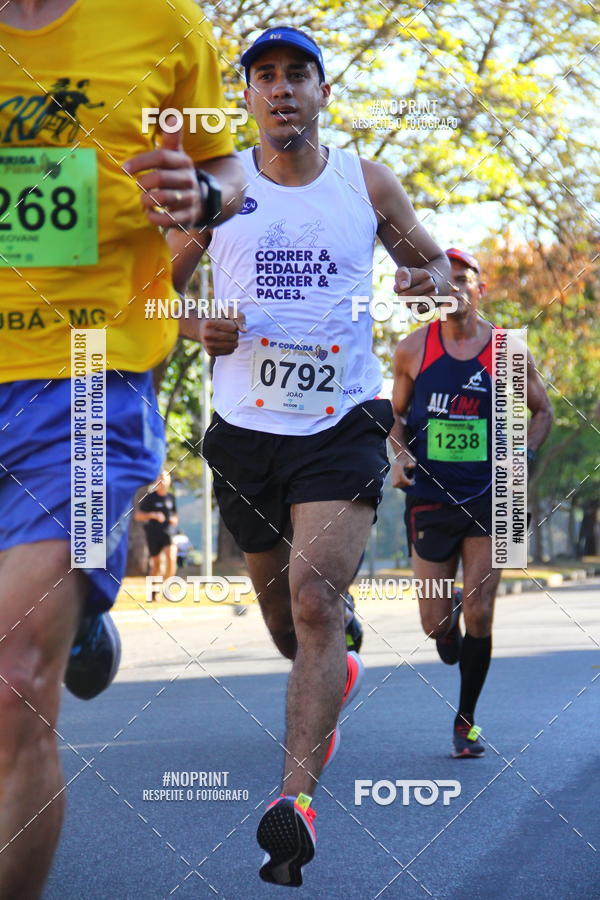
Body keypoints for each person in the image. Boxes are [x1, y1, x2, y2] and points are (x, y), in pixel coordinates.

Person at [171, 26, 452, 886]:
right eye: (265, 77)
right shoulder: (217, 185)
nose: (282, 89)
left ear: (324, 94)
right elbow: (156, 290)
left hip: (344, 422)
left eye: (299, 75)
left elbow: (436, 269)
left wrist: (425, 279)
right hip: (248, 432)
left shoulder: (365, 182)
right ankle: (339, 667)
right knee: (288, 626)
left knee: (316, 598)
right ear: (247, 97)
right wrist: (191, 325)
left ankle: (293, 805)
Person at [0, 0, 245, 894]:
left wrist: (201, 196)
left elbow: (228, 171)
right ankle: (82, 606)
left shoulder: (164, 25)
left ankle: (67, 607)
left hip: (86, 373)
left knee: (14, 677)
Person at [390, 247, 553, 758]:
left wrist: (522, 452)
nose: (455, 287)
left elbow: (542, 410)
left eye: (466, 279)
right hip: (430, 495)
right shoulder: (412, 350)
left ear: (480, 290)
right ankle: (448, 619)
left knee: (481, 610)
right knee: (438, 628)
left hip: (495, 493)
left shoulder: (507, 350)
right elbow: (395, 421)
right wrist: (397, 456)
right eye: (448, 280)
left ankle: (465, 723)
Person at [135, 470, 179, 597]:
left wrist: (174, 519)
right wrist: (153, 515)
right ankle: (153, 591)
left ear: (169, 481)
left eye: (165, 479)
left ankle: (166, 586)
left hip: (169, 533)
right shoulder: (150, 498)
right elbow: (138, 516)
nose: (163, 482)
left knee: (171, 558)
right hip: (153, 534)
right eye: (161, 479)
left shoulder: (171, 498)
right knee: (157, 564)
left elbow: (175, 515)